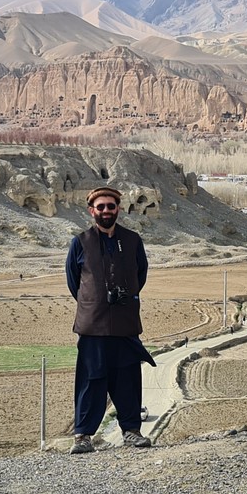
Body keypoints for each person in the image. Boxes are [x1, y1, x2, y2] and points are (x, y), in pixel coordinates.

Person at [65, 186, 156, 453]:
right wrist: (95, 300)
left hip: (125, 323)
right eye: (101, 207)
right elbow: (74, 284)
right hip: (93, 325)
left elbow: (140, 275)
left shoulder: (132, 240)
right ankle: (83, 436)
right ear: (92, 211)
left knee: (127, 378)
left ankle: (131, 431)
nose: (106, 211)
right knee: (91, 380)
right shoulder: (80, 242)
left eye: (111, 206)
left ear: (118, 209)